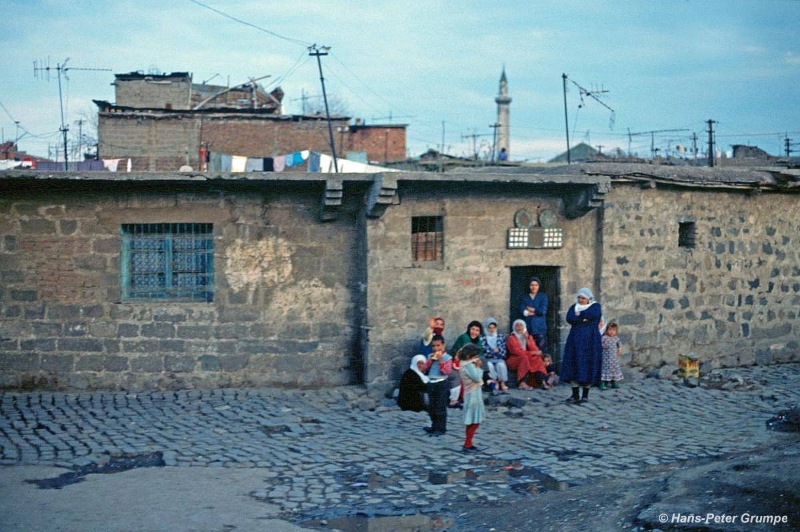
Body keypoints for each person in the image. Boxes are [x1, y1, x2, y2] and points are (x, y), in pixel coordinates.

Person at [561, 287, 604, 404]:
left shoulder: (595, 306)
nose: (581, 300)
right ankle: (575, 395)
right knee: (574, 365)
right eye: (579, 297)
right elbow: (569, 317)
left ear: (588, 298)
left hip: (590, 341)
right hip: (575, 341)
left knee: (587, 365)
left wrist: (579, 316)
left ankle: (585, 395)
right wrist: (582, 318)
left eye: (583, 298)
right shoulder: (573, 307)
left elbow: (593, 315)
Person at [450, 321, 484, 406]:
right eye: (472, 329)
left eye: (477, 330)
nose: (474, 332)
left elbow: (480, 351)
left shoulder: (477, 340)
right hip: (457, 362)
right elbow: (466, 353)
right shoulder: (464, 338)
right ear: (469, 329)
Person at [505, 319, 547, 390]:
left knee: (537, 358)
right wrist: (533, 353)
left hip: (526, 356)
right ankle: (522, 383)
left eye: (521, 326)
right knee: (524, 358)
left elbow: (535, 349)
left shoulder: (528, 336)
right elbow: (517, 352)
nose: (519, 328)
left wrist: (527, 339)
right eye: (517, 326)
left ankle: (542, 381)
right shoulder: (511, 338)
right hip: (513, 360)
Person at [458, 344, 485, 452]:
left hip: (471, 392)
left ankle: (468, 442)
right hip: (473, 394)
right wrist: (478, 367)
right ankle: (467, 443)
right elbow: (477, 378)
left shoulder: (463, 364)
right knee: (475, 420)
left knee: (472, 420)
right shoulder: (468, 366)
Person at [424, 335, 452, 436]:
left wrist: (440, 361)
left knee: (440, 406)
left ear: (443, 345)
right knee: (432, 406)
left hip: (441, 383)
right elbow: (425, 370)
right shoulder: (430, 356)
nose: (436, 348)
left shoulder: (447, 358)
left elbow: (447, 371)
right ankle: (434, 425)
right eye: (434, 346)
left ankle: (441, 428)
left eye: (438, 345)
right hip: (431, 383)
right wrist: (429, 362)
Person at [480, 317, 509, 393]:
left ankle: (502, 382)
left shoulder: (500, 336)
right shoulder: (482, 338)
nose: (492, 330)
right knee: (489, 365)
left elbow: (503, 352)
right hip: (488, 359)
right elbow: (484, 352)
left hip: (499, 358)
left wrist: (495, 351)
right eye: (489, 328)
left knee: (501, 365)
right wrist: (495, 351)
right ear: (486, 328)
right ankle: (494, 381)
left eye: (493, 328)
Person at [520, 277, 548, 353]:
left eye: (536, 285)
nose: (534, 287)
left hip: (540, 328)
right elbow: (522, 310)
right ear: (529, 286)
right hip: (528, 328)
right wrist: (527, 313)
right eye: (532, 285)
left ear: (539, 286)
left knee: (541, 350)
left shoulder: (543, 297)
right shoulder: (525, 297)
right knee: (529, 350)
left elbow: (542, 311)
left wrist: (532, 309)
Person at [600, 322, 624, 390]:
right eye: (610, 330)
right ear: (607, 330)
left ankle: (614, 381)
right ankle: (603, 383)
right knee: (605, 370)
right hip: (606, 358)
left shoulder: (616, 338)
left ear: (616, 331)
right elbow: (600, 343)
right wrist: (602, 345)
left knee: (614, 369)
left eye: (613, 330)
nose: (611, 332)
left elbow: (619, 345)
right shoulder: (604, 337)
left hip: (614, 358)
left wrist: (619, 350)